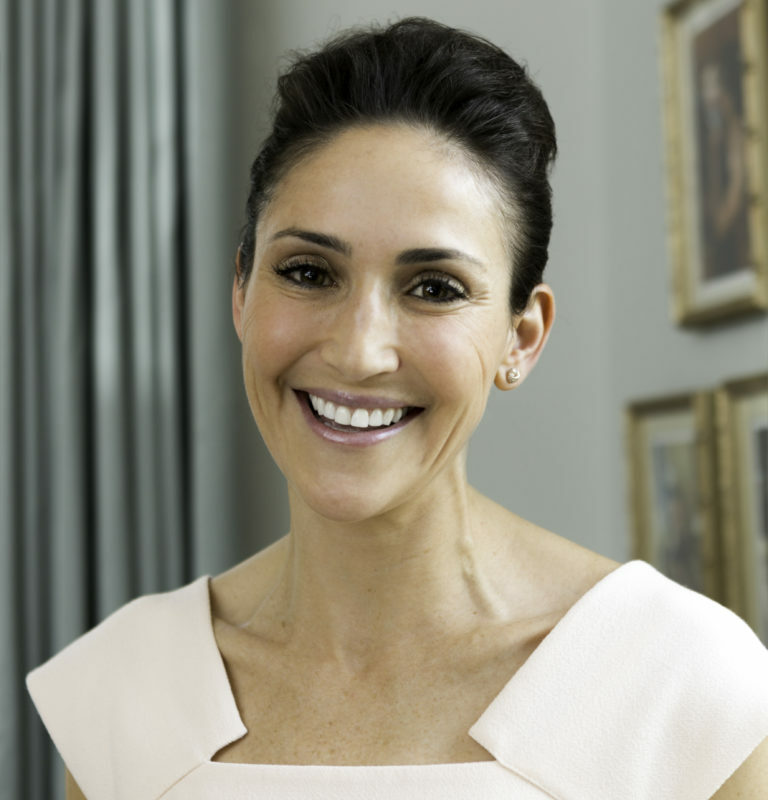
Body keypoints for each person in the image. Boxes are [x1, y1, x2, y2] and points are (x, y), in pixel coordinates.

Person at [27, 17, 768, 800]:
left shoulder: (687, 690)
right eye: (309, 272)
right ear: (241, 290)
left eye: (434, 288)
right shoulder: (125, 693)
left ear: (521, 338)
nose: (358, 352)